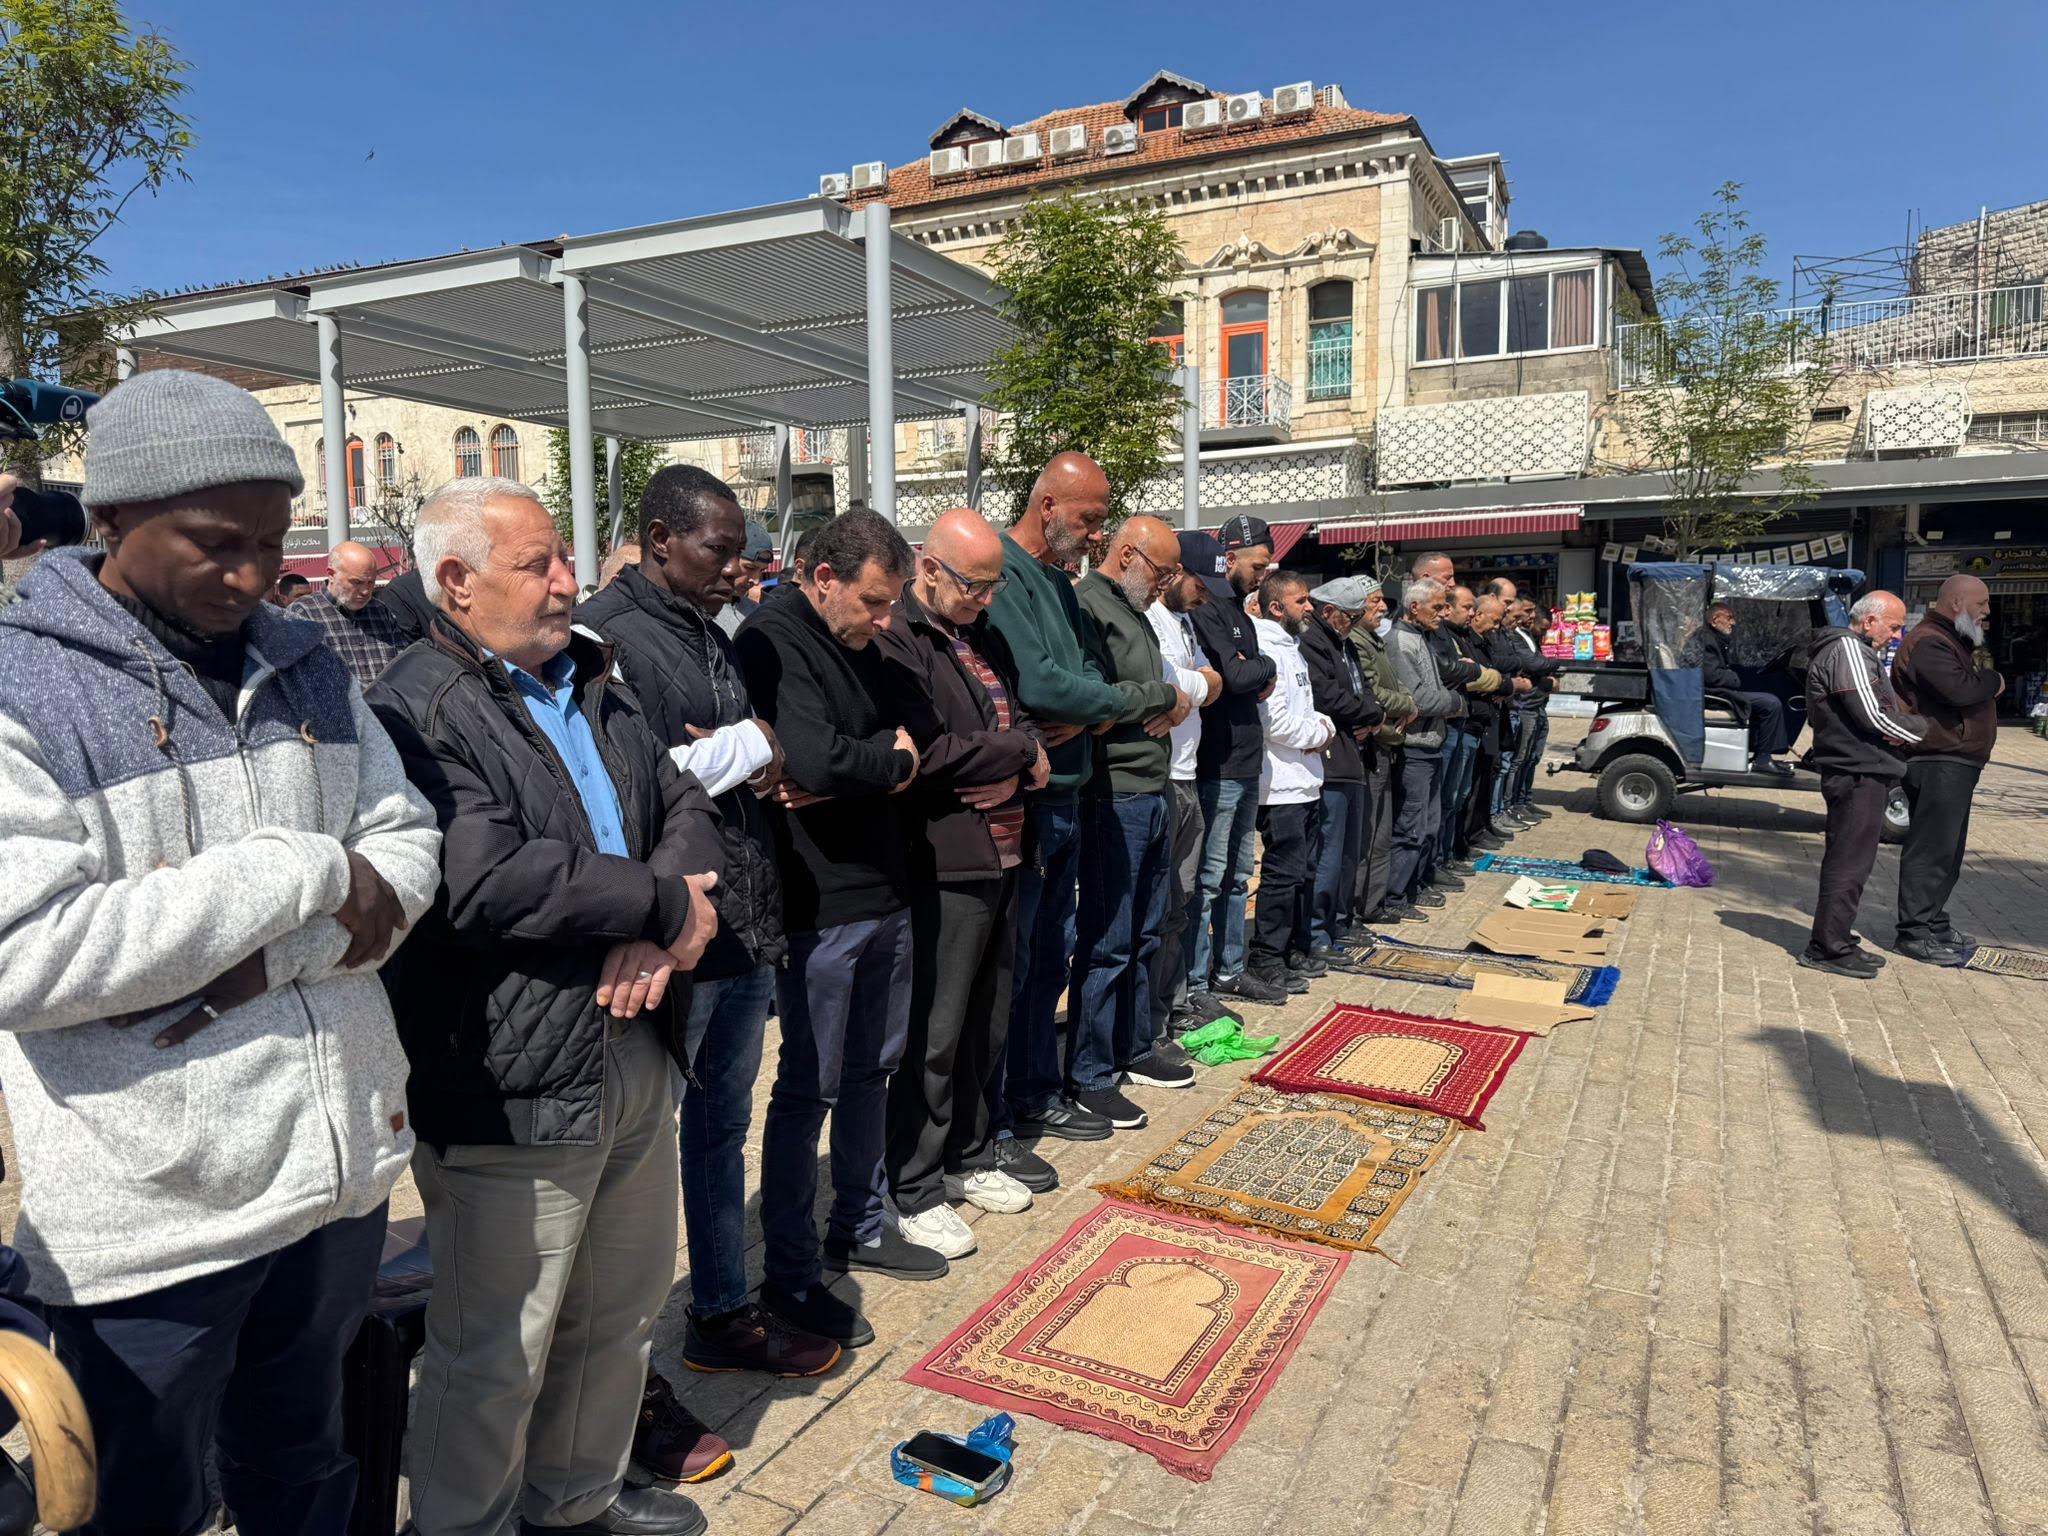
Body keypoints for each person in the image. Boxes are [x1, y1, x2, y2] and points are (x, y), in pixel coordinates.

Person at [0, 368, 441, 1536]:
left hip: (333, 1177)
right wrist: (300, 870)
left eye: (272, 540)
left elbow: (405, 846)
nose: (253, 575)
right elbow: (24, 955)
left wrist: (277, 958)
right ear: (110, 520)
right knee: (144, 1503)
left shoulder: (302, 659)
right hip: (157, 1212)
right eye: (216, 543)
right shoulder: (20, 685)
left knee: (304, 1467)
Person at [367, 475, 723, 1536]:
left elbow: (682, 800)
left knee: (616, 1317)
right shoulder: (414, 706)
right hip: (509, 1077)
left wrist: (661, 918)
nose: (569, 580)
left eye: (564, 556)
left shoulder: (592, 675)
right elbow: (480, 877)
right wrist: (662, 904)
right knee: (496, 1352)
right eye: (538, 565)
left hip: (633, 1040)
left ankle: (572, 1505)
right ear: (455, 581)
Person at [576, 466, 839, 1484]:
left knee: (721, 1128)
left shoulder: (710, 630)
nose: (738, 568)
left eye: (740, 551)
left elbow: (733, 758)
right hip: (674, 932)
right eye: (718, 549)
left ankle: (721, 1312)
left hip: (743, 913)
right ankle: (625, 1375)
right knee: (639, 1159)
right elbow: (633, 781)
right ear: (657, 539)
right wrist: (747, 745)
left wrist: (747, 750)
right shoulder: (609, 637)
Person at [735, 508, 943, 1325]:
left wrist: (880, 762)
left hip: (885, 887)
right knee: (809, 1087)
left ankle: (859, 1224)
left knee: (872, 1071)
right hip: (820, 903)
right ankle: (790, 1273)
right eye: (873, 602)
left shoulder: (863, 638)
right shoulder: (775, 636)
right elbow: (813, 758)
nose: (886, 621)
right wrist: (887, 759)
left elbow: (924, 721)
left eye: (891, 604)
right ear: (825, 578)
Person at [872, 508, 1051, 1259]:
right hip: (948, 858)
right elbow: (929, 752)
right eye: (974, 585)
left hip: (1006, 849)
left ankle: (969, 1154)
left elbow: (1024, 719)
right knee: (936, 1031)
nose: (985, 598)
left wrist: (1018, 752)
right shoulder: (899, 638)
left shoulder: (981, 632)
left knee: (989, 1017)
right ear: (929, 568)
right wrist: (1016, 754)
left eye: (993, 585)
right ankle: (913, 1184)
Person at [985, 452, 1164, 1152]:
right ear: (1048, 507)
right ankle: (1007, 1109)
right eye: (1089, 518)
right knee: (1023, 962)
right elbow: (1041, 684)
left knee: (1049, 958)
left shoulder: (1061, 584)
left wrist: (1095, 707)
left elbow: (1088, 674)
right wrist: (1108, 703)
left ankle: (1037, 1091)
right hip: (1031, 801)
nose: (1097, 534)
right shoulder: (1006, 573)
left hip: (1069, 793)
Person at [1071, 516, 1197, 1128]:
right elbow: (1099, 700)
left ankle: (1134, 1045)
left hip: (1151, 788)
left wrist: (1173, 700)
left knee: (1147, 930)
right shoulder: (1089, 605)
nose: (1166, 582)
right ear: (1127, 555)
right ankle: (1091, 1073)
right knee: (1109, 940)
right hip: (1113, 792)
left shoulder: (1137, 609)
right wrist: (1165, 699)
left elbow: (1168, 689)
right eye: (1161, 571)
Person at [1800, 591, 1926, 980]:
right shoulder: (1847, 649)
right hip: (1856, 770)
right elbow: (1873, 714)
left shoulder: (1850, 649)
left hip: (1859, 768)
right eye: (1894, 626)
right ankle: (1827, 947)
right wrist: (1920, 731)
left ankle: (1836, 939)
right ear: (1869, 621)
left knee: (1853, 860)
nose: (1897, 634)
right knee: (1848, 862)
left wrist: (1900, 728)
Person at [1185, 517, 1283, 1007]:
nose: (1262, 576)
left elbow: (1251, 673)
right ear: (1231, 556)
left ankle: (1229, 969)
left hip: (1246, 758)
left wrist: (1258, 668)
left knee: (1239, 875)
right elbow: (1234, 676)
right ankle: (1196, 981)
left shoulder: (1240, 612)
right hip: (1217, 762)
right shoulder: (1207, 609)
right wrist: (1259, 669)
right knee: (1208, 879)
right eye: (1258, 565)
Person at [1891, 574, 2003, 964]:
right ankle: (1914, 933)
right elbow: (1960, 691)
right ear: (1956, 602)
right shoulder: (1929, 641)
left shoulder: (1948, 639)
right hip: (1938, 758)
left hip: (1954, 759)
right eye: (1981, 603)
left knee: (1948, 850)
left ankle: (1933, 923)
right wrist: (1993, 680)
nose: (1987, 611)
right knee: (1932, 849)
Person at [1247, 571, 1336, 991]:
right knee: (1282, 875)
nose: (1310, 607)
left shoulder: (1292, 647)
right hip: (1280, 783)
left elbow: (1305, 708)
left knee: (1304, 871)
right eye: (1301, 601)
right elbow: (1274, 722)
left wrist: (1322, 725)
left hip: (1306, 779)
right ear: (1276, 607)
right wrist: (1319, 734)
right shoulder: (1267, 647)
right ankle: (1267, 956)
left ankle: (1292, 949)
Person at [1146, 549, 1223, 1033]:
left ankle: (1172, 1005)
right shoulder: (1151, 620)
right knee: (1161, 903)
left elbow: (1214, 683)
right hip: (1164, 776)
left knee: (1183, 899)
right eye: (1200, 585)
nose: (1204, 597)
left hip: (1189, 772)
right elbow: (1166, 683)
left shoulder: (1186, 622)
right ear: (1176, 573)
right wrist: (1193, 687)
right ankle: (1151, 1020)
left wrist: (1190, 689)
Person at [1300, 578, 1384, 963]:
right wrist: (1369, 713)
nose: (1355, 622)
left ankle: (1338, 922)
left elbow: (1364, 691)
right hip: (1330, 760)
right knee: (1328, 854)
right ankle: (1317, 932)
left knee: (1349, 852)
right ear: (1329, 611)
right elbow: (1329, 697)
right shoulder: (1313, 641)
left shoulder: (1344, 641)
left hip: (1351, 756)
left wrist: (1373, 713)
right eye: (1351, 616)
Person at [1386, 578, 1464, 918]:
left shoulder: (1420, 638)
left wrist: (1445, 700)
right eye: (1437, 607)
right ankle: (1395, 897)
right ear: (1414, 607)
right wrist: (1456, 701)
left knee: (1428, 824)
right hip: (1414, 747)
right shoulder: (1400, 641)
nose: (1443, 613)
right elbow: (1419, 699)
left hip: (1431, 743)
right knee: (1411, 826)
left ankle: (1414, 887)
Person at [1347, 579, 1413, 921]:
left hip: (1386, 741)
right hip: (1373, 744)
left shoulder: (1372, 639)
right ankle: (1359, 907)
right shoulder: (1356, 641)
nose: (1383, 608)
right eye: (1374, 602)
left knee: (1380, 834)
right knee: (1368, 834)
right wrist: (1406, 706)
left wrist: (1407, 703)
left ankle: (1372, 905)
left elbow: (1397, 686)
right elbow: (1374, 694)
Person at [287, 539, 411, 686]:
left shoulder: (380, 612)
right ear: (331, 575)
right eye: (357, 582)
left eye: (370, 583)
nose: (365, 591)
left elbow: (403, 666)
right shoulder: (303, 614)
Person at [1703, 602, 1794, 775]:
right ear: (1715, 621)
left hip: (1720, 692)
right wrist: (1734, 678)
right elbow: (1711, 676)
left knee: (1767, 700)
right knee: (1771, 703)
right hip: (1715, 695)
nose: (1733, 622)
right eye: (1729, 618)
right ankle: (1763, 760)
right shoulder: (1708, 641)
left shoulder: (1715, 639)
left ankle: (1764, 755)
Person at [1501, 599, 1560, 819]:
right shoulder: (1514, 637)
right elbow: (1533, 664)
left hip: (1537, 705)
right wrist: (1551, 670)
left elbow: (1538, 664)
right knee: (1517, 759)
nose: (1530, 616)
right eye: (1526, 612)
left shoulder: (1529, 637)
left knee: (1531, 758)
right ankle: (1510, 805)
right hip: (1525, 706)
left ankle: (1524, 800)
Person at [714, 521, 775, 636]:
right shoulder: (699, 611)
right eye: (750, 568)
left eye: (761, 570)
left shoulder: (758, 613)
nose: (756, 581)